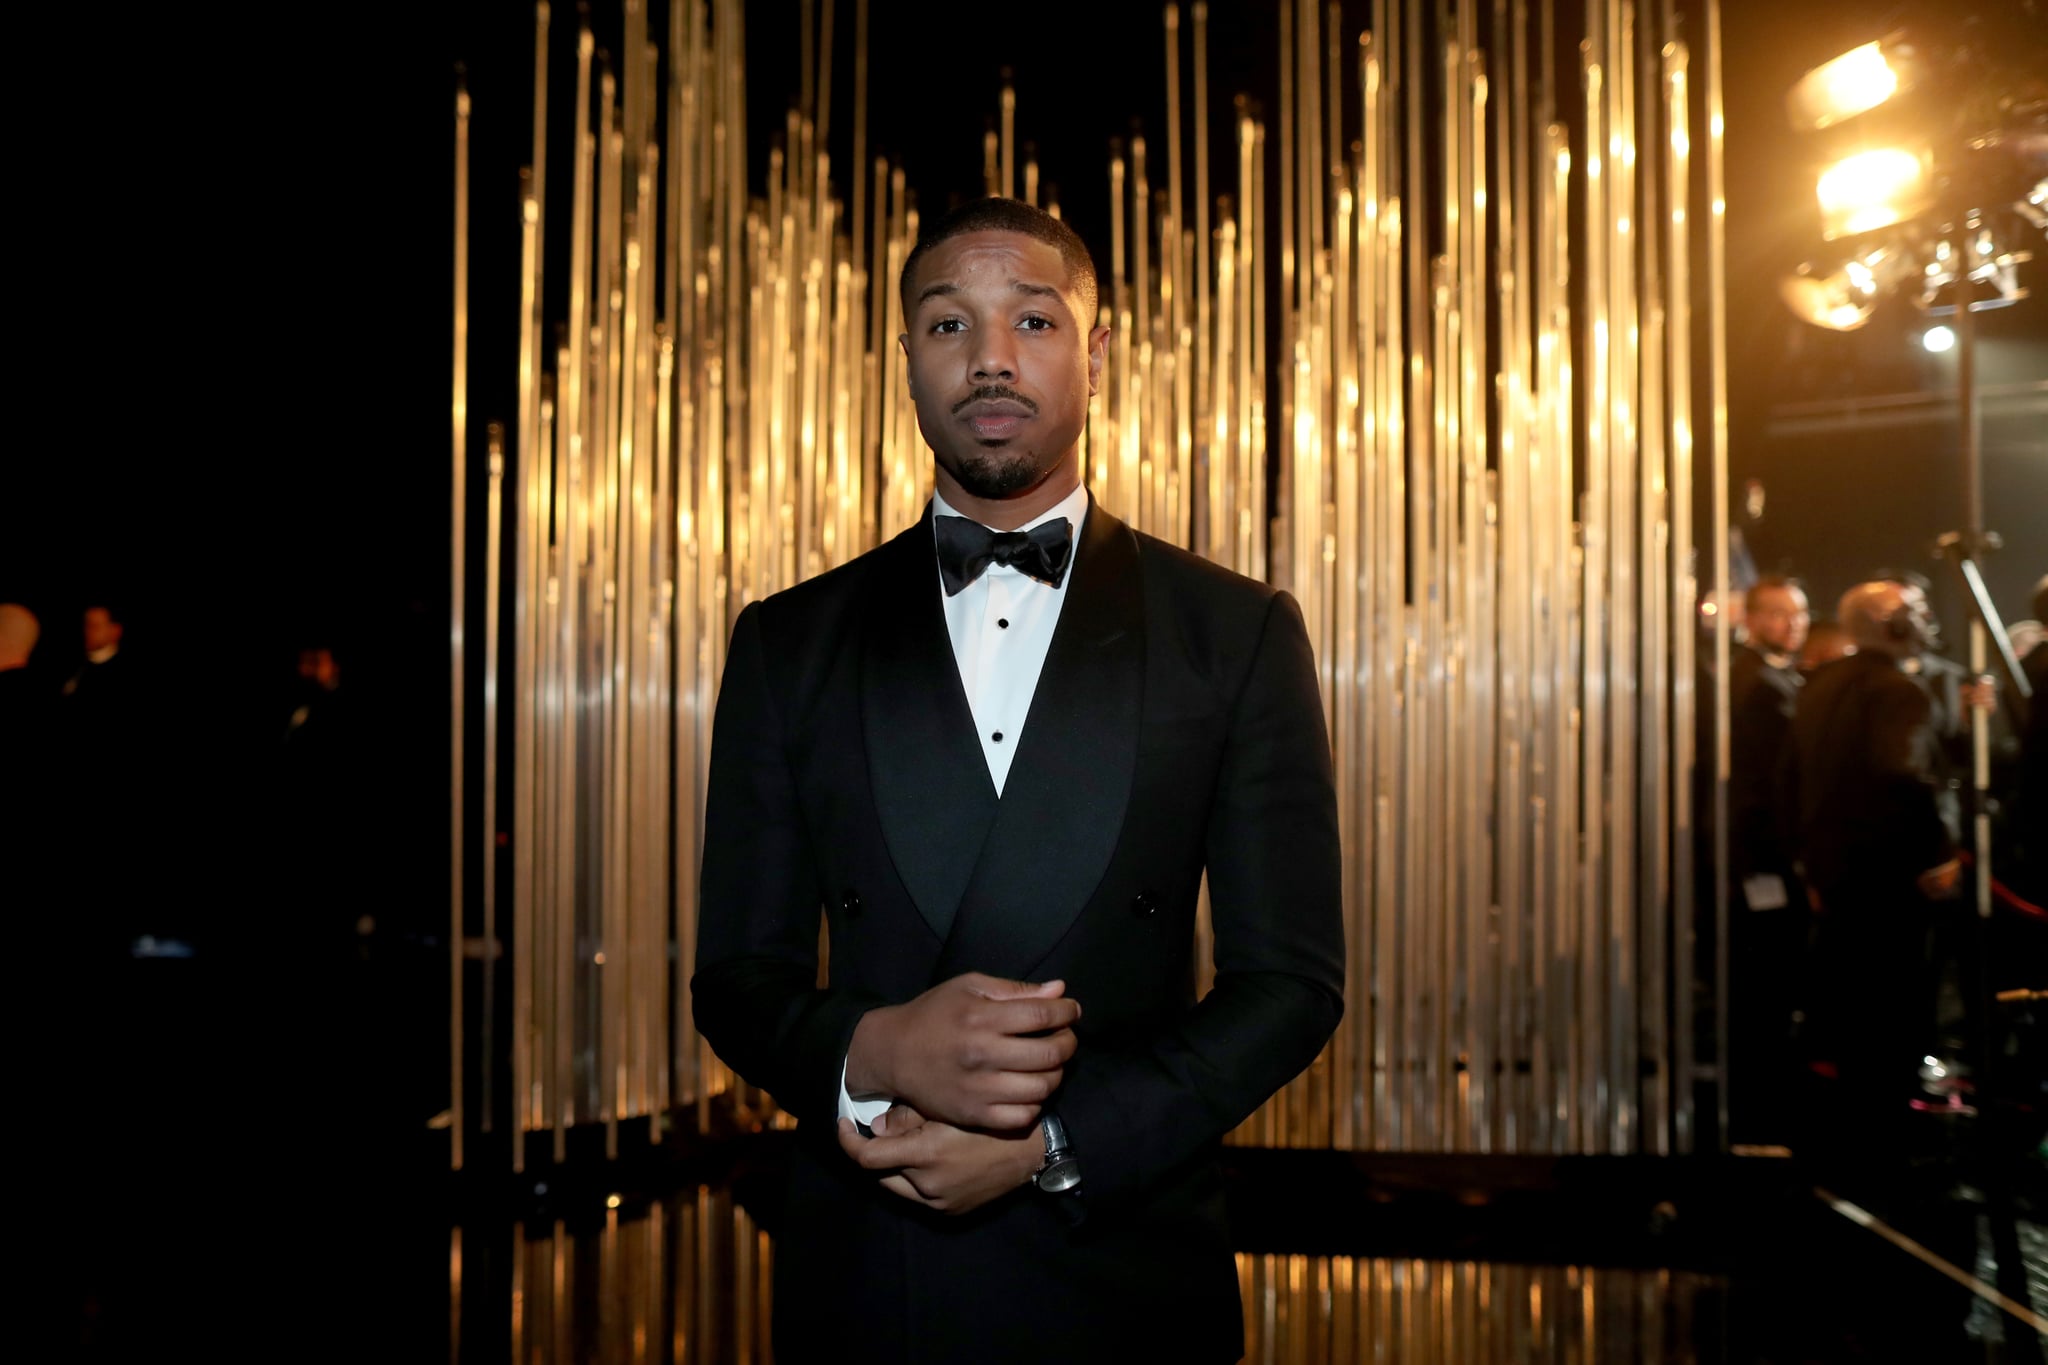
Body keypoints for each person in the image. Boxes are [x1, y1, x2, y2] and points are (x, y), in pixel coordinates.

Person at [691, 198, 1345, 1363]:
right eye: (948, 324)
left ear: (1094, 354)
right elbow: (735, 977)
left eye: (1031, 319)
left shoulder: (1232, 631)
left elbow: (1289, 984)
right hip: (867, 1281)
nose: (990, 356)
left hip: (1128, 1270)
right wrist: (877, 1053)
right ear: (904, 361)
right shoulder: (787, 641)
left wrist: (1053, 1141)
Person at [1782, 580, 1958, 1158]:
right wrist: (1940, 855)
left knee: (1847, 1013)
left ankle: (1845, 1143)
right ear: (1890, 622)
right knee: (1894, 1014)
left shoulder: (1817, 687)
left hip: (1834, 877)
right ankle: (1891, 1149)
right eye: (1913, 610)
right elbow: (1904, 778)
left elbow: (1793, 782)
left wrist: (1808, 865)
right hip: (1892, 881)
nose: (1926, 618)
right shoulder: (1901, 693)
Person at [1726, 577, 1807, 1140]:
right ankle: (1761, 1108)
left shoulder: (1773, 677)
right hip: (1762, 853)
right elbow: (1765, 781)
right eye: (1779, 614)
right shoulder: (1757, 682)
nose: (1792, 624)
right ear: (1751, 618)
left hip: (1765, 850)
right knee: (1764, 981)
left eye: (1798, 614)